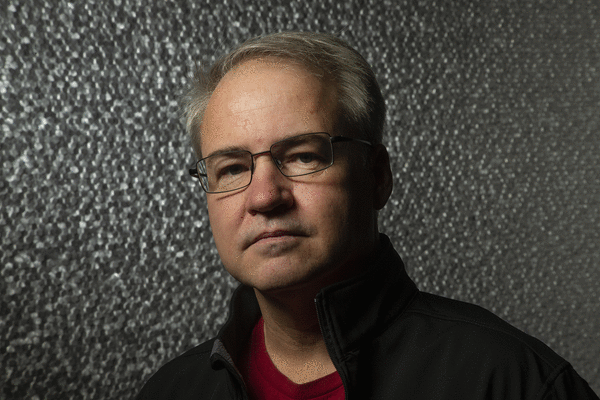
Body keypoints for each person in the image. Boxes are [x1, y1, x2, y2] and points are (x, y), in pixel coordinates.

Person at [136, 31, 598, 400]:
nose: (264, 196)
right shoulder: (170, 392)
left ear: (377, 177)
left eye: (303, 156)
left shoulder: (514, 383)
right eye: (233, 168)